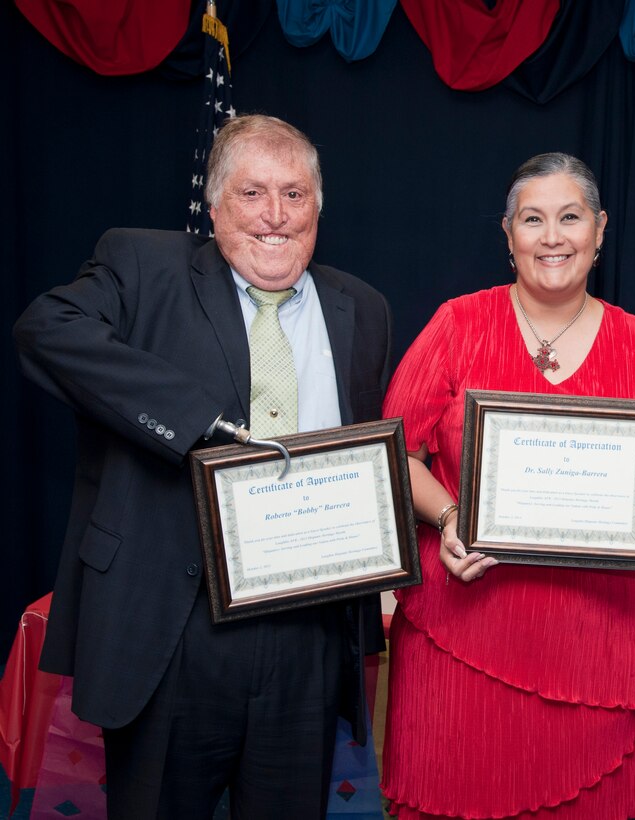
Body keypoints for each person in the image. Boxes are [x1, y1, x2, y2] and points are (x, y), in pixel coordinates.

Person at [13, 115, 391, 818]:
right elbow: (44, 329)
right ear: (215, 207)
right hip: (172, 630)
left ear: (318, 207)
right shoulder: (141, 265)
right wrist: (191, 422)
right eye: (252, 193)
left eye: (295, 194)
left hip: (306, 636)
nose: (275, 216)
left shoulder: (362, 309)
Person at [379, 152, 635, 819]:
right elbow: (393, 453)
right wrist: (450, 516)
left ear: (601, 229)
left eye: (570, 217)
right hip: (462, 636)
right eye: (533, 219)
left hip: (600, 648)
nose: (553, 236)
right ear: (508, 234)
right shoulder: (456, 325)